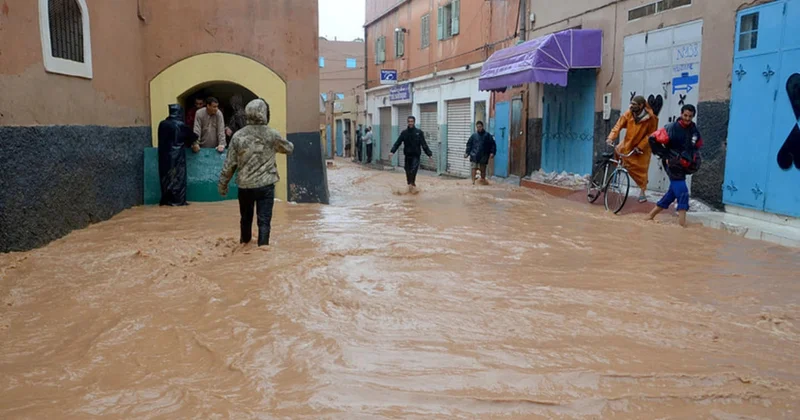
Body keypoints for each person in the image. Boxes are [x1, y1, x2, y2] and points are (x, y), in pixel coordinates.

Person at [219, 99, 294, 247]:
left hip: (245, 186)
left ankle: (244, 246)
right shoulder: (272, 134)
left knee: (245, 219)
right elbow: (289, 149)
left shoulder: (238, 136)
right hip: (265, 186)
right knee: (264, 221)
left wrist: (223, 184)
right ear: (264, 113)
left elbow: (230, 164)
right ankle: (262, 250)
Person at [646, 104, 703, 227]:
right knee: (683, 192)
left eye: (690, 116)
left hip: (684, 166)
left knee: (672, 193)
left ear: (693, 116)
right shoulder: (671, 128)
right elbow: (652, 139)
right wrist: (665, 156)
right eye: (685, 115)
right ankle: (682, 226)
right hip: (672, 165)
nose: (687, 118)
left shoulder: (694, 131)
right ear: (681, 114)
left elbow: (697, 146)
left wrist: (693, 161)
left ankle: (649, 216)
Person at [607, 95, 659, 203]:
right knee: (618, 151)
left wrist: (640, 146)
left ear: (641, 105)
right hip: (628, 143)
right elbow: (618, 126)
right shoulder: (628, 113)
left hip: (642, 147)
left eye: (634, 104)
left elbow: (651, 134)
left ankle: (642, 191)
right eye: (631, 103)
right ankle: (615, 178)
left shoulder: (651, 118)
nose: (632, 106)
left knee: (641, 170)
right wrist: (611, 138)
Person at [158, 104, 197, 206]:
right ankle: (178, 201)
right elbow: (193, 137)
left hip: (164, 157)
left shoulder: (162, 124)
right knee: (178, 179)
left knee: (166, 178)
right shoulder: (181, 125)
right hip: (177, 157)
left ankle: (166, 200)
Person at [389, 116, 433, 193]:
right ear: (407, 122)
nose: (410, 123)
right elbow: (397, 143)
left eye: (411, 121)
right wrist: (392, 151)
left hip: (416, 156)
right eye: (409, 121)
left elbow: (424, 144)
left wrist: (429, 154)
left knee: (413, 171)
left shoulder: (419, 133)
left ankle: (412, 186)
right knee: (407, 171)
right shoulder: (404, 133)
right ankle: (411, 186)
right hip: (407, 156)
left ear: (414, 122)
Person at [465, 121, 496, 185]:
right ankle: (473, 181)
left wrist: (492, 152)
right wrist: (467, 153)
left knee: (483, 169)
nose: (479, 128)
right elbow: (469, 144)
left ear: (482, 127)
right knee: (473, 168)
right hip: (474, 155)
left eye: (480, 127)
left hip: (484, 155)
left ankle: (482, 180)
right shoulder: (474, 135)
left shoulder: (487, 135)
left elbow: (493, 144)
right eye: (477, 127)